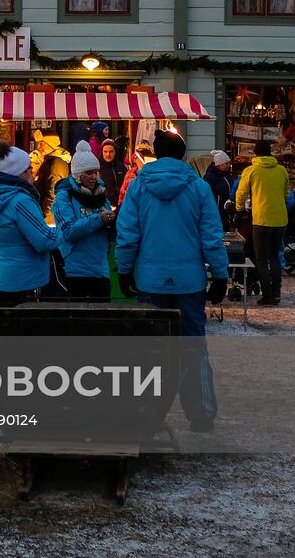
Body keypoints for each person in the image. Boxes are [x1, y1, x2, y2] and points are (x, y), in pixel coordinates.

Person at [114, 128, 229, 433]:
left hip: (150, 280)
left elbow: (127, 234)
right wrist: (220, 274)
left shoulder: (139, 187)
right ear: (183, 154)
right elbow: (212, 236)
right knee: (193, 347)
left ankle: (146, 412)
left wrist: (124, 269)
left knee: (149, 349)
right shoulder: (199, 188)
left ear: (156, 153)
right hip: (189, 282)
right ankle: (201, 412)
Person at [0, 141, 61, 307]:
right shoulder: (20, 201)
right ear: (20, 172)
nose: (32, 171)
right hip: (25, 280)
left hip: (3, 277)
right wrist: (62, 228)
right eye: (29, 168)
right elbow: (45, 240)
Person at [53, 141, 117, 302]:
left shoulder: (101, 196)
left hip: (100, 270)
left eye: (96, 172)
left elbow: (109, 234)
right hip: (74, 271)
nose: (94, 177)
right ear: (78, 175)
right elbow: (67, 231)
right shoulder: (64, 197)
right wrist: (99, 219)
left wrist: (114, 224)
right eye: (89, 173)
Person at [234, 139, 291, 305]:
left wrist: (239, 209)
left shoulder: (251, 171)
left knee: (261, 258)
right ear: (270, 152)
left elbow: (241, 193)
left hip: (261, 219)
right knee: (274, 256)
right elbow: (286, 194)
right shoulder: (282, 170)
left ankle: (267, 295)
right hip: (280, 219)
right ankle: (277, 292)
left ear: (255, 153)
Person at [32, 132, 72, 218]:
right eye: (37, 143)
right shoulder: (49, 160)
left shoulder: (55, 163)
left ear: (51, 144)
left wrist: (42, 215)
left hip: (51, 217)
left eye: (41, 144)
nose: (38, 147)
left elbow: (52, 194)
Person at [202, 150, 233, 221]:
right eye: (226, 163)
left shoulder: (226, 174)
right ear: (219, 164)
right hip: (217, 211)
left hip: (226, 210)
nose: (228, 165)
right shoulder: (210, 176)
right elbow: (205, 193)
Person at [97, 138, 125, 207]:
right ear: (102, 152)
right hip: (104, 206)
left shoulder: (121, 167)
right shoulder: (97, 168)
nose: (108, 154)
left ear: (115, 152)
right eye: (105, 152)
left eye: (111, 151)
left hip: (121, 205)